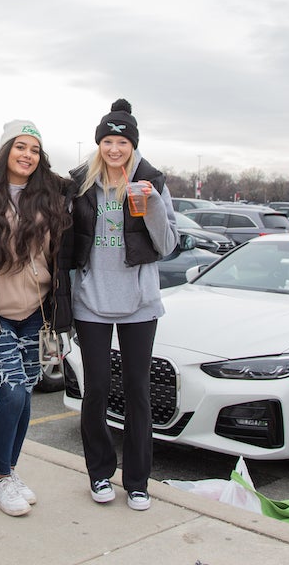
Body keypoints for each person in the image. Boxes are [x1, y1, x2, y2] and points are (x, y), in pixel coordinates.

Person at [65, 98, 177, 511]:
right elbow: (66, 241)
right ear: (99, 144)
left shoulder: (152, 182)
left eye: (122, 141)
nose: (115, 149)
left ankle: (138, 481)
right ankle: (99, 474)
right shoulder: (80, 183)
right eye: (108, 141)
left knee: (137, 392)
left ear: (133, 145)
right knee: (95, 391)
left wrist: (151, 206)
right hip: (91, 303)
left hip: (139, 304)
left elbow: (167, 246)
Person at [0, 120, 71, 517]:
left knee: (25, 396)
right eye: (20, 147)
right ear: (6, 149)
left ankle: (10, 472)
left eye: (35, 149)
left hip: (36, 314)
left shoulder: (53, 194)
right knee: (11, 392)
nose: (27, 155)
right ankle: (0, 478)